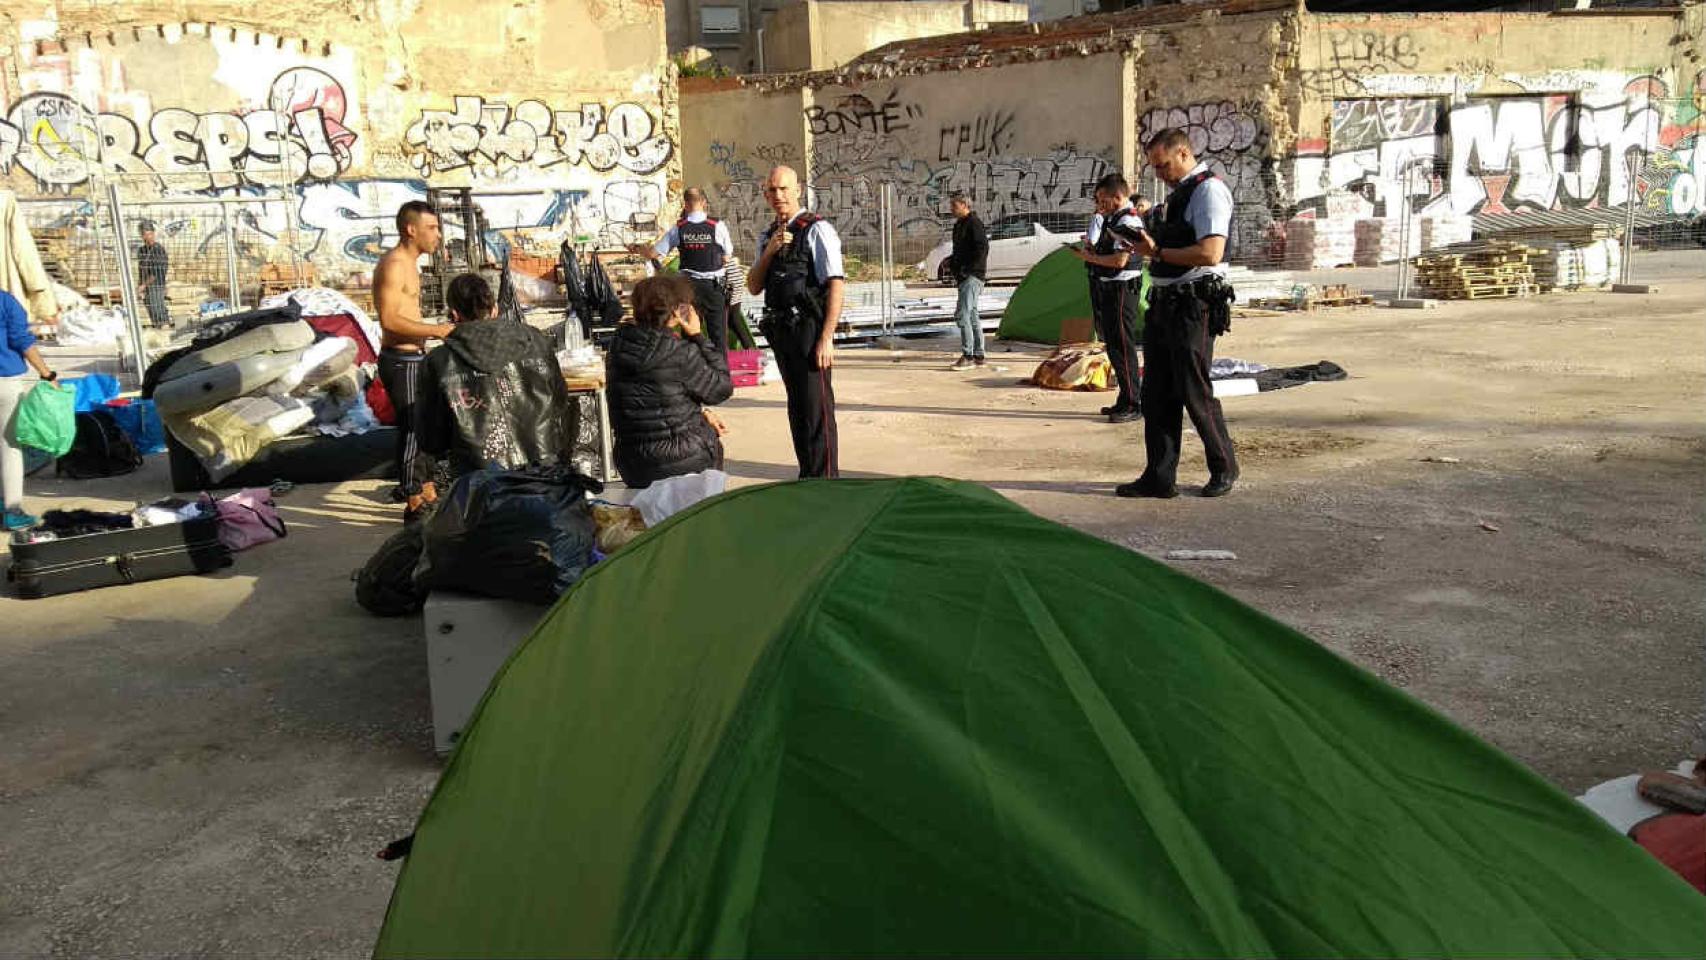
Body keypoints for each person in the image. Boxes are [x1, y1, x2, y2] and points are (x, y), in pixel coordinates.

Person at [1117, 128, 1239, 499]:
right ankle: (1159, 476)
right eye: (1154, 167)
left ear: (1184, 153)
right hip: (1165, 300)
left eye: (1163, 165)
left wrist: (1157, 253)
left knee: (1194, 388)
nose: (1160, 174)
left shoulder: (1208, 191)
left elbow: (1210, 253)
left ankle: (1224, 467)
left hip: (1194, 301)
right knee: (1156, 394)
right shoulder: (1178, 196)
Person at [416, 273, 579, 485]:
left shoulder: (438, 361)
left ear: (454, 315)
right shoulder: (536, 341)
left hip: (479, 483)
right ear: (494, 309)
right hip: (544, 472)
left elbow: (431, 439)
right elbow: (560, 404)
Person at [747, 165, 845, 479]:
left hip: (809, 330)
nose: (778, 196)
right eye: (772, 190)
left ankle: (826, 479)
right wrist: (770, 251)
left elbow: (836, 284)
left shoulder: (817, 229)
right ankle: (807, 474)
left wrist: (827, 337)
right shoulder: (768, 235)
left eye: (784, 189)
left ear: (798, 189)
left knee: (816, 409)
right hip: (782, 331)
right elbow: (753, 285)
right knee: (798, 408)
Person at [606, 274, 732, 488]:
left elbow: (652, 399)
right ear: (676, 311)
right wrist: (697, 336)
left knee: (705, 424)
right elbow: (721, 388)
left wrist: (701, 414)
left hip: (632, 462)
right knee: (712, 440)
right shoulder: (680, 352)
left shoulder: (618, 347)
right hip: (681, 460)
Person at [375, 200, 446, 521]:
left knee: (429, 424)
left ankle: (428, 486)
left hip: (416, 356)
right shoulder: (394, 264)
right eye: (432, 228)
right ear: (411, 229)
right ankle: (413, 496)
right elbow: (390, 320)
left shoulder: (411, 264)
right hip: (401, 360)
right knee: (413, 427)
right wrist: (439, 330)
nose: (439, 235)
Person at [1068, 173, 1145, 424]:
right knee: (1113, 345)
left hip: (1123, 288)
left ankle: (1134, 402)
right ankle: (1125, 398)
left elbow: (1120, 261)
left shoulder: (1129, 222)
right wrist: (1092, 249)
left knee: (1123, 346)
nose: (1100, 205)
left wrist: (1089, 259)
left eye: (1103, 200)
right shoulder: (1113, 220)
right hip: (1110, 287)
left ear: (1118, 197)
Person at [631, 188, 735, 353]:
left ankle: (691, 373)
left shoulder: (678, 228)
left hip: (687, 289)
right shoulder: (717, 225)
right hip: (713, 287)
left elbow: (653, 253)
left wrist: (637, 248)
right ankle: (721, 374)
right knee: (718, 338)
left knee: (689, 335)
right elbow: (727, 256)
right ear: (703, 203)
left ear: (685, 205)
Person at [0, 288, 64, 531]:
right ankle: (12, 510)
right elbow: (21, 340)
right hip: (4, 380)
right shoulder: (5, 301)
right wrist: (47, 375)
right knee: (9, 447)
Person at [945, 193, 988, 371]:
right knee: (972, 314)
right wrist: (952, 263)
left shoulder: (974, 223)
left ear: (964, 205)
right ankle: (979, 354)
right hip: (964, 276)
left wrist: (969, 269)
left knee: (962, 314)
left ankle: (968, 355)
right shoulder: (959, 225)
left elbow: (982, 248)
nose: (951, 210)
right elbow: (960, 250)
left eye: (954, 206)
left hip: (972, 275)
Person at [137, 221, 170, 329]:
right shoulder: (142, 250)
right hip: (146, 286)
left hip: (156, 285)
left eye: (150, 233)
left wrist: (143, 285)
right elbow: (141, 269)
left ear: (154, 234)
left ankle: (165, 331)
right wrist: (140, 285)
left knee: (158, 311)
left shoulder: (158, 250)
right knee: (152, 313)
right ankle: (158, 330)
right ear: (142, 235)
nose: (148, 236)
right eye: (145, 234)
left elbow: (156, 273)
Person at [721, 255, 759, 351]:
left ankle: (724, 353)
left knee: (724, 322)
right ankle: (750, 349)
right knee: (733, 320)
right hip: (733, 278)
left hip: (728, 279)